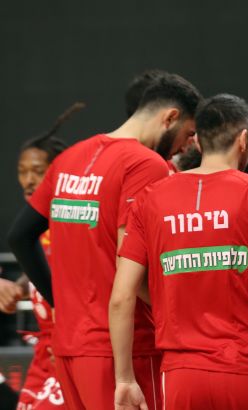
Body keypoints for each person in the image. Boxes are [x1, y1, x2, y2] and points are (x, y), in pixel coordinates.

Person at [8, 73, 202, 410]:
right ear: (170, 117)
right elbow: (132, 268)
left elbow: (20, 237)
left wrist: (59, 302)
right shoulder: (146, 164)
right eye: (188, 134)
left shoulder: (70, 158)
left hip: (69, 348)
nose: (186, 146)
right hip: (125, 351)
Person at [109, 94, 248, 409]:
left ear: (198, 143)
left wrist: (124, 379)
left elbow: (122, 296)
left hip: (181, 376)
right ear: (244, 140)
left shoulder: (150, 198)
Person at [0, 103, 83, 410]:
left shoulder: (73, 222)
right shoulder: (37, 228)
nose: (29, 180)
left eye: (37, 171)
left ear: (56, 173)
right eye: (22, 172)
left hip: (71, 350)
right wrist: (17, 287)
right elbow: (40, 271)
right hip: (43, 355)